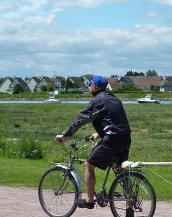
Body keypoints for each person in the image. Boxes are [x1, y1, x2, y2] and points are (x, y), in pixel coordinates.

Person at [55, 75, 131, 209]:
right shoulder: (115, 99)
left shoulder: (97, 101)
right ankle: (130, 200)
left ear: (94, 87)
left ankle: (89, 200)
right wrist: (100, 133)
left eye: (90, 85)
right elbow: (114, 120)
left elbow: (81, 119)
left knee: (88, 165)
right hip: (125, 138)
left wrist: (65, 135)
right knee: (121, 168)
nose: (89, 88)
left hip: (112, 139)